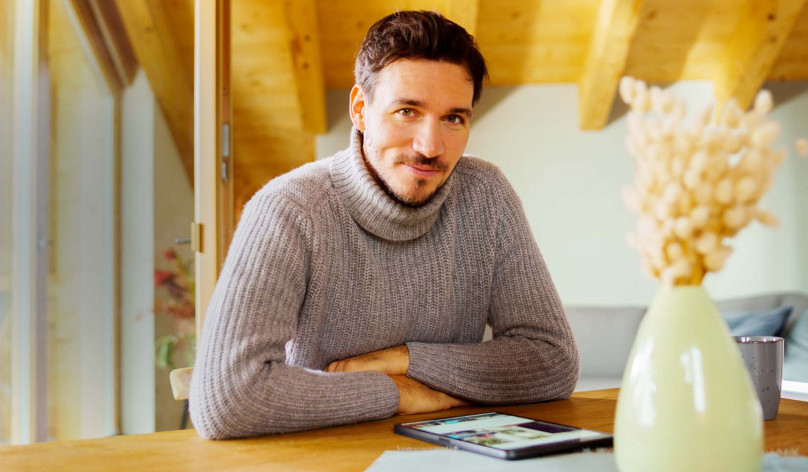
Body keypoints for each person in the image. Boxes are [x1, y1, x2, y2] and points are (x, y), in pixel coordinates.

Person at [190, 10, 579, 440]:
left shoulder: (486, 195)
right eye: (407, 111)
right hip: (320, 458)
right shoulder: (288, 209)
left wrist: (407, 360)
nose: (431, 147)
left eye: (454, 118)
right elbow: (226, 400)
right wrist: (398, 393)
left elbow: (552, 360)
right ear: (360, 108)